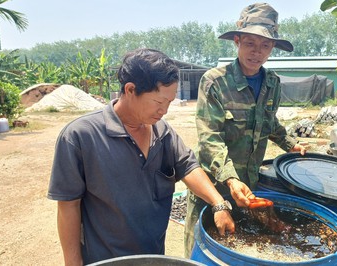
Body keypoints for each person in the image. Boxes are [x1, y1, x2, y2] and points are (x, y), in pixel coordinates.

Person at [47, 48, 237, 265]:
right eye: (158, 102)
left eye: (169, 102)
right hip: (105, 259)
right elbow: (68, 205)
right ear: (130, 90)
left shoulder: (162, 132)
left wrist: (218, 204)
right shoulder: (80, 136)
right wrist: (73, 262)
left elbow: (188, 166)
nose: (164, 110)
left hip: (153, 256)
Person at [184, 3, 306, 257]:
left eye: (265, 46)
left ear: (272, 48)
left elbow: (269, 121)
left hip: (248, 187)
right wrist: (230, 179)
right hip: (213, 186)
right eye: (250, 43)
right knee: (202, 252)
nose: (257, 52)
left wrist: (290, 144)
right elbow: (210, 138)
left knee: (241, 249)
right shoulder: (215, 81)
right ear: (237, 41)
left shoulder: (272, 83)